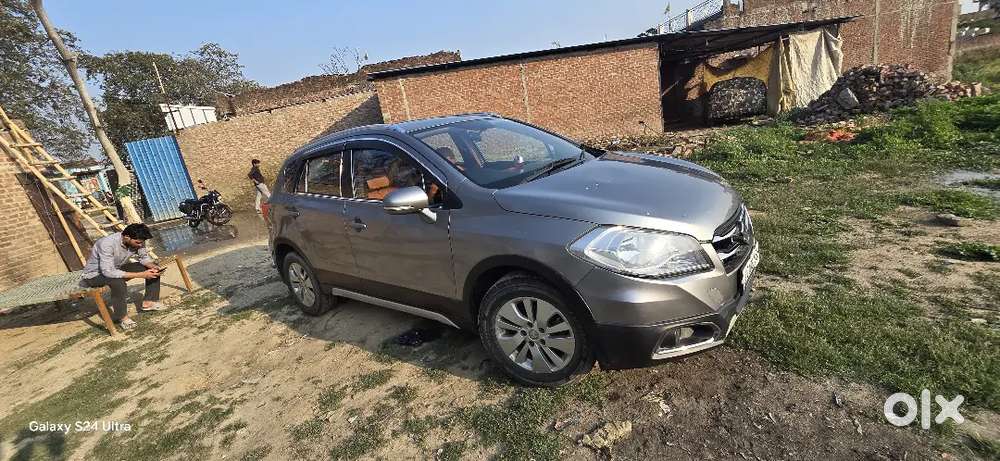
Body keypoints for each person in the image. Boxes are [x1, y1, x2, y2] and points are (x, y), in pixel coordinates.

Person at [80, 224, 163, 330]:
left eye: (142, 242)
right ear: (126, 237)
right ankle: (123, 318)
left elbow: (143, 257)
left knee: (152, 271)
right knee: (118, 282)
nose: (140, 245)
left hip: (114, 269)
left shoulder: (138, 241)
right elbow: (108, 272)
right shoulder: (107, 244)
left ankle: (149, 303)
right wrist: (141, 275)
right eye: (138, 242)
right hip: (94, 275)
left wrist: (152, 266)